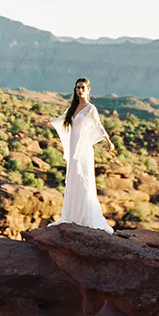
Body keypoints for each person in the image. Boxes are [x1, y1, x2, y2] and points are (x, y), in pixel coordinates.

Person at [42, 77, 116, 233]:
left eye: (82, 87)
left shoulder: (90, 108)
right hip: (73, 147)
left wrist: (108, 141)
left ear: (88, 89)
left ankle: (85, 217)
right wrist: (50, 120)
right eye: (77, 88)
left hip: (83, 149)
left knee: (83, 178)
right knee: (73, 178)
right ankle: (72, 216)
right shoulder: (73, 107)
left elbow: (98, 126)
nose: (80, 90)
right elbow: (62, 120)